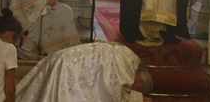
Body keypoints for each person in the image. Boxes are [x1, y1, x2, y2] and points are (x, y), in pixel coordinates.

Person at [15, 42, 153, 102]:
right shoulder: (127, 68)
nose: (129, 89)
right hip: (67, 66)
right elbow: (111, 92)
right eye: (134, 89)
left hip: (62, 58)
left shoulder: (131, 59)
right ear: (139, 80)